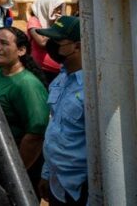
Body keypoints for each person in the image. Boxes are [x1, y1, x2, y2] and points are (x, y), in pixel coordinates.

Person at [0, 26, 49, 189]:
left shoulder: (27, 85)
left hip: (12, 174)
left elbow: (35, 135)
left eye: (4, 43)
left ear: (21, 50)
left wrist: (16, 174)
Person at [36, 16, 87, 206]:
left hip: (80, 187)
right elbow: (55, 129)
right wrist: (46, 173)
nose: (50, 45)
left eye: (56, 41)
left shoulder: (92, 90)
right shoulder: (61, 79)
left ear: (77, 46)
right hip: (57, 182)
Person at [28, 0, 66, 80]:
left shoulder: (51, 22)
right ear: (46, 7)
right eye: (56, 8)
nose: (59, 12)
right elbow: (42, 42)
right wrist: (56, 26)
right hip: (43, 70)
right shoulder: (34, 21)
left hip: (59, 70)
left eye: (60, 9)